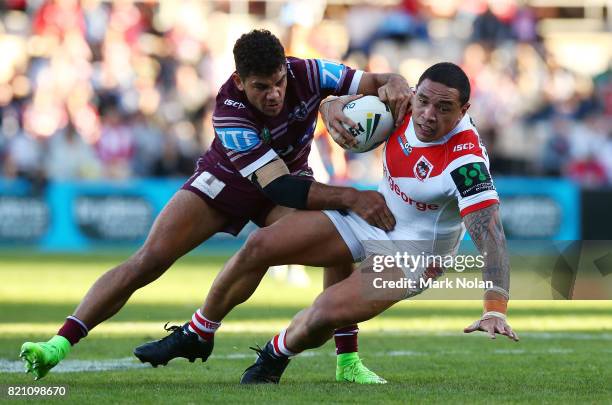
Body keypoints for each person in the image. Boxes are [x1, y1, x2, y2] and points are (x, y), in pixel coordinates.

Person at [19, 29, 412, 383]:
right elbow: (279, 187)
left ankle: (347, 362)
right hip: (226, 185)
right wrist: (353, 196)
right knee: (149, 260)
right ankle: (59, 343)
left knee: (337, 237)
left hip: (288, 181)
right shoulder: (229, 110)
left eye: (278, 82)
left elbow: (377, 80)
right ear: (240, 81)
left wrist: (394, 82)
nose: (274, 93)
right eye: (261, 87)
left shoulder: (308, 71)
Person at [159, 62, 517, 384]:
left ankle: (274, 355)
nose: (427, 115)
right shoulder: (401, 104)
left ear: (463, 110)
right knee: (260, 244)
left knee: (326, 311)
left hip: (414, 256)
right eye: (423, 100)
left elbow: (492, 235)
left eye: (444, 108)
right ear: (414, 93)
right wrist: (331, 107)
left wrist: (494, 307)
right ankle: (199, 331)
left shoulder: (465, 161)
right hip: (374, 216)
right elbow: (336, 100)